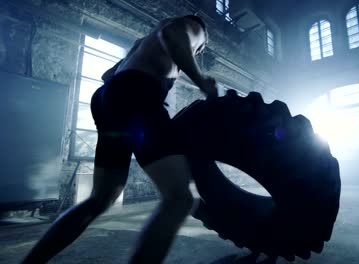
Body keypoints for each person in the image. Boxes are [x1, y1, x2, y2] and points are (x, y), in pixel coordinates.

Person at [22, 15, 217, 264]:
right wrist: (201, 82)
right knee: (180, 198)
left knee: (101, 197)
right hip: (137, 94)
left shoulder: (141, 42)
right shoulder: (194, 27)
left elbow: (108, 75)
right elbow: (174, 35)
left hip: (109, 98)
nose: (198, 50)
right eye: (200, 48)